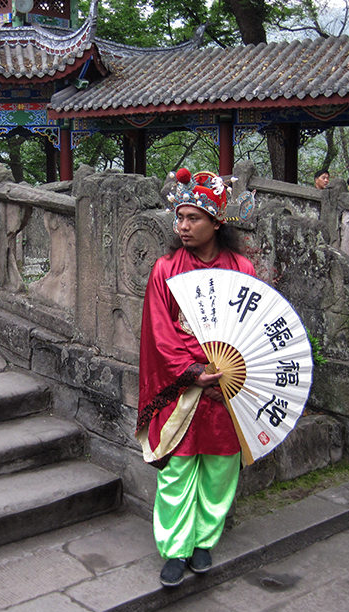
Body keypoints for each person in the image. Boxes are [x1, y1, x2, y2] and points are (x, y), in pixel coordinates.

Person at [137, 168, 255, 588]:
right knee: (178, 468)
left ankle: (205, 539)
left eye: (194, 218)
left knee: (221, 466)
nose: (183, 226)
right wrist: (192, 371)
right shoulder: (165, 269)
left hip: (226, 384)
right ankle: (175, 548)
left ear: (217, 222)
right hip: (183, 384)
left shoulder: (242, 267)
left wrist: (224, 368)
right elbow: (158, 331)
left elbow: (251, 328)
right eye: (180, 218)